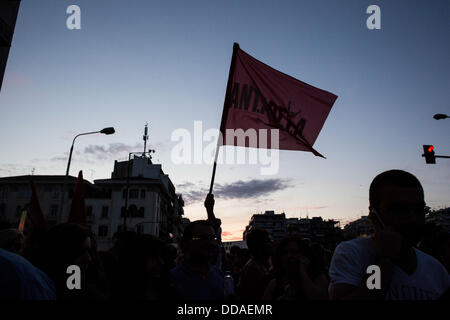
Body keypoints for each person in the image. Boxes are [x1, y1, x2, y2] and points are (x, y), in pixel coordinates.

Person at [329, 170, 450, 300]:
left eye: (419, 209)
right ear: (374, 216)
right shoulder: (352, 253)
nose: (412, 219)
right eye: (399, 210)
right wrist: (384, 261)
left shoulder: (436, 270)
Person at [170, 220, 224, 300]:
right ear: (186, 243)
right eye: (203, 238)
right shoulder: (172, 279)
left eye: (213, 238)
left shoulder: (219, 274)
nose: (211, 243)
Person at [263, 236, 329, 300]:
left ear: (303, 255)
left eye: (294, 252)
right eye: (285, 252)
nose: (289, 256)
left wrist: (303, 271)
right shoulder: (275, 283)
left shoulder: (317, 277)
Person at [237, 228, 273, 300]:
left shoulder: (262, 265)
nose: (272, 243)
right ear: (259, 246)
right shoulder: (252, 270)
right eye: (268, 241)